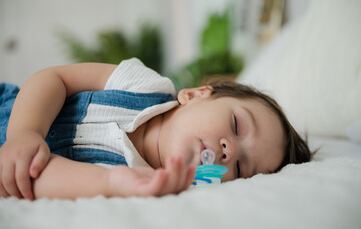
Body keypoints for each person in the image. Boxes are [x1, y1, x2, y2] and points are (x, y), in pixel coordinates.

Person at [0, 58, 311, 200]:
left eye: (241, 167)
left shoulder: (139, 180)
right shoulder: (143, 84)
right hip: (15, 110)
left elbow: (33, 178)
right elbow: (54, 78)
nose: (229, 152)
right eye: (236, 125)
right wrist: (24, 132)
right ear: (194, 95)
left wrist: (114, 183)